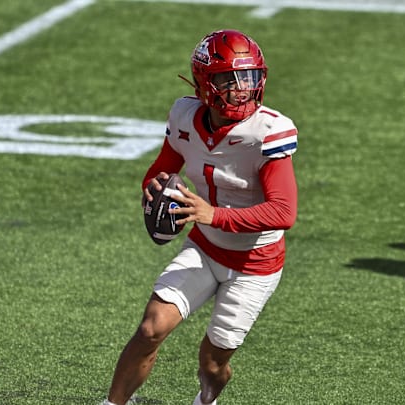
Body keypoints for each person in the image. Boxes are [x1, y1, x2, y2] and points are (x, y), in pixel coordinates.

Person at [103, 29, 298, 405]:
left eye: (249, 77)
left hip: (254, 264)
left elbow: (284, 211)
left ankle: (206, 399)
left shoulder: (268, 131)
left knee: (212, 363)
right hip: (205, 248)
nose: (242, 89)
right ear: (204, 83)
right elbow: (162, 167)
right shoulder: (184, 115)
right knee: (149, 329)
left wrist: (214, 214)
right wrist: (155, 191)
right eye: (230, 79)